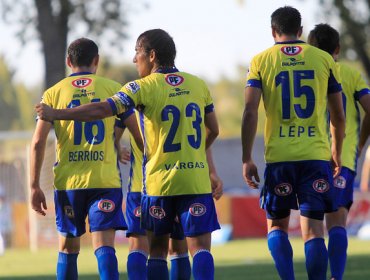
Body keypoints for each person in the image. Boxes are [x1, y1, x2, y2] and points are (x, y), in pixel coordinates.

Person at [35, 29, 221, 280]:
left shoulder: (139, 88)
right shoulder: (198, 84)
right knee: (199, 249)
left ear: (151, 56)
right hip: (195, 180)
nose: (135, 60)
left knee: (155, 250)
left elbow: (102, 109)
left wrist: (57, 114)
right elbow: (214, 130)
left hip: (159, 184)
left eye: (137, 53)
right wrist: (198, 157)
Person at [241, 6, 345, 280]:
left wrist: (246, 157)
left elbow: (250, 111)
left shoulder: (261, 60)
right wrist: (336, 150)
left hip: (280, 158)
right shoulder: (324, 59)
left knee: (276, 226)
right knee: (314, 230)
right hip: (315, 156)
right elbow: (338, 115)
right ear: (300, 31)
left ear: (273, 31)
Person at [29, 38, 143, 280]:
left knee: (68, 248)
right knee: (104, 246)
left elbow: (38, 142)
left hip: (69, 183)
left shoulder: (53, 93)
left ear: (69, 62)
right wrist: (120, 147)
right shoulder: (114, 88)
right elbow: (137, 133)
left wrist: (34, 185)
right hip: (104, 181)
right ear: (96, 61)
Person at [115, 120, 223, 280]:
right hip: (184, 180)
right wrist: (211, 171)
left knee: (146, 249)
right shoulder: (189, 96)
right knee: (181, 248)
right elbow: (205, 133)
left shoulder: (136, 98)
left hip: (148, 185)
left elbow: (112, 130)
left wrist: (116, 147)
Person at [307, 23, 370, 280]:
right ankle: (337, 277)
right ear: (338, 49)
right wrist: (361, 144)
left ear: (310, 47)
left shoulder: (307, 72)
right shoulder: (350, 74)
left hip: (310, 153)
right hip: (342, 157)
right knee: (337, 221)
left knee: (312, 227)